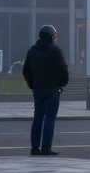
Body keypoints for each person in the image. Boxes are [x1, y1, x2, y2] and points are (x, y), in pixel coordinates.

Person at [23, 25, 69, 156]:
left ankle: (34, 148)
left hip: (37, 89)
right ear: (51, 37)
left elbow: (26, 70)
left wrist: (32, 85)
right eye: (54, 35)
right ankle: (46, 147)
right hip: (52, 89)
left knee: (37, 117)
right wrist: (62, 84)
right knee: (49, 118)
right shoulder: (55, 51)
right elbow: (63, 70)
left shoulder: (32, 51)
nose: (55, 38)